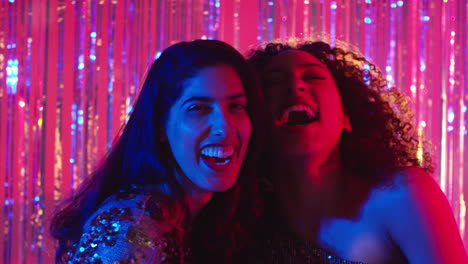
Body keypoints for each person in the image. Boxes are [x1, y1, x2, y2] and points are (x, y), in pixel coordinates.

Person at [247, 40, 468, 264]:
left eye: (313, 77)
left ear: (346, 116)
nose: (295, 86)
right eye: (273, 83)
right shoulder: (244, 223)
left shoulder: (404, 193)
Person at [50, 39, 265, 264]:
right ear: (161, 125)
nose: (224, 127)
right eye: (198, 109)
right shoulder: (130, 232)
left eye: (236, 106)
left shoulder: (214, 216)